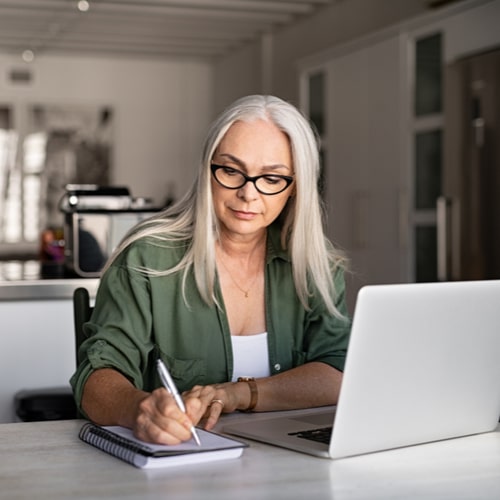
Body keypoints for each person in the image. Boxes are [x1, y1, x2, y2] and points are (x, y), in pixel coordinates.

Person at [70, 94, 351, 446]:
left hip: (291, 460)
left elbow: (338, 373)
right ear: (207, 170)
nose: (248, 194)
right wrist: (138, 409)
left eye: (272, 178)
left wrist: (238, 394)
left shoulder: (316, 264)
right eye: (232, 171)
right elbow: (95, 378)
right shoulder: (146, 257)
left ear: (294, 188)